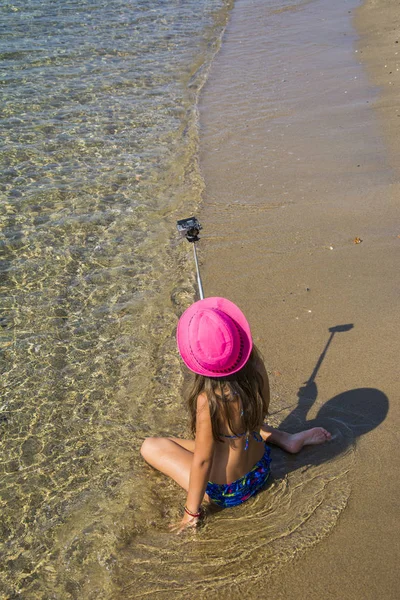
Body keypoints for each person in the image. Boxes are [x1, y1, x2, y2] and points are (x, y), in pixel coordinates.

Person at [140, 297, 331, 532]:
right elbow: (259, 418)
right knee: (244, 423)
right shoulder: (256, 370)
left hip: (227, 492)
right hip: (261, 470)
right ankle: (286, 439)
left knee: (151, 446)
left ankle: (281, 441)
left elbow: (203, 461)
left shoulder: (207, 401)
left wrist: (191, 512)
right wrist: (305, 402)